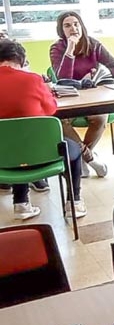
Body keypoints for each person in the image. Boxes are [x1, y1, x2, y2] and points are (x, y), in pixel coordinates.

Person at [0, 38, 86, 219]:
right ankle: (74, 203)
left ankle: (21, 204)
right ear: (22, 60)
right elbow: (50, 110)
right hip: (42, 156)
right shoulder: (33, 80)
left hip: (4, 159)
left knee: (13, 143)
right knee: (74, 148)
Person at [50, 11, 114, 178]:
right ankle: (89, 158)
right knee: (61, 121)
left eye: (76, 24)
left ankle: (82, 158)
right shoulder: (57, 48)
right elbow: (63, 78)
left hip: (92, 96)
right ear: (61, 30)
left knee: (100, 117)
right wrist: (70, 50)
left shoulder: (93, 44)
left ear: (81, 26)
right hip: (69, 98)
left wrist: (97, 72)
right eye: (67, 25)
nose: (73, 28)